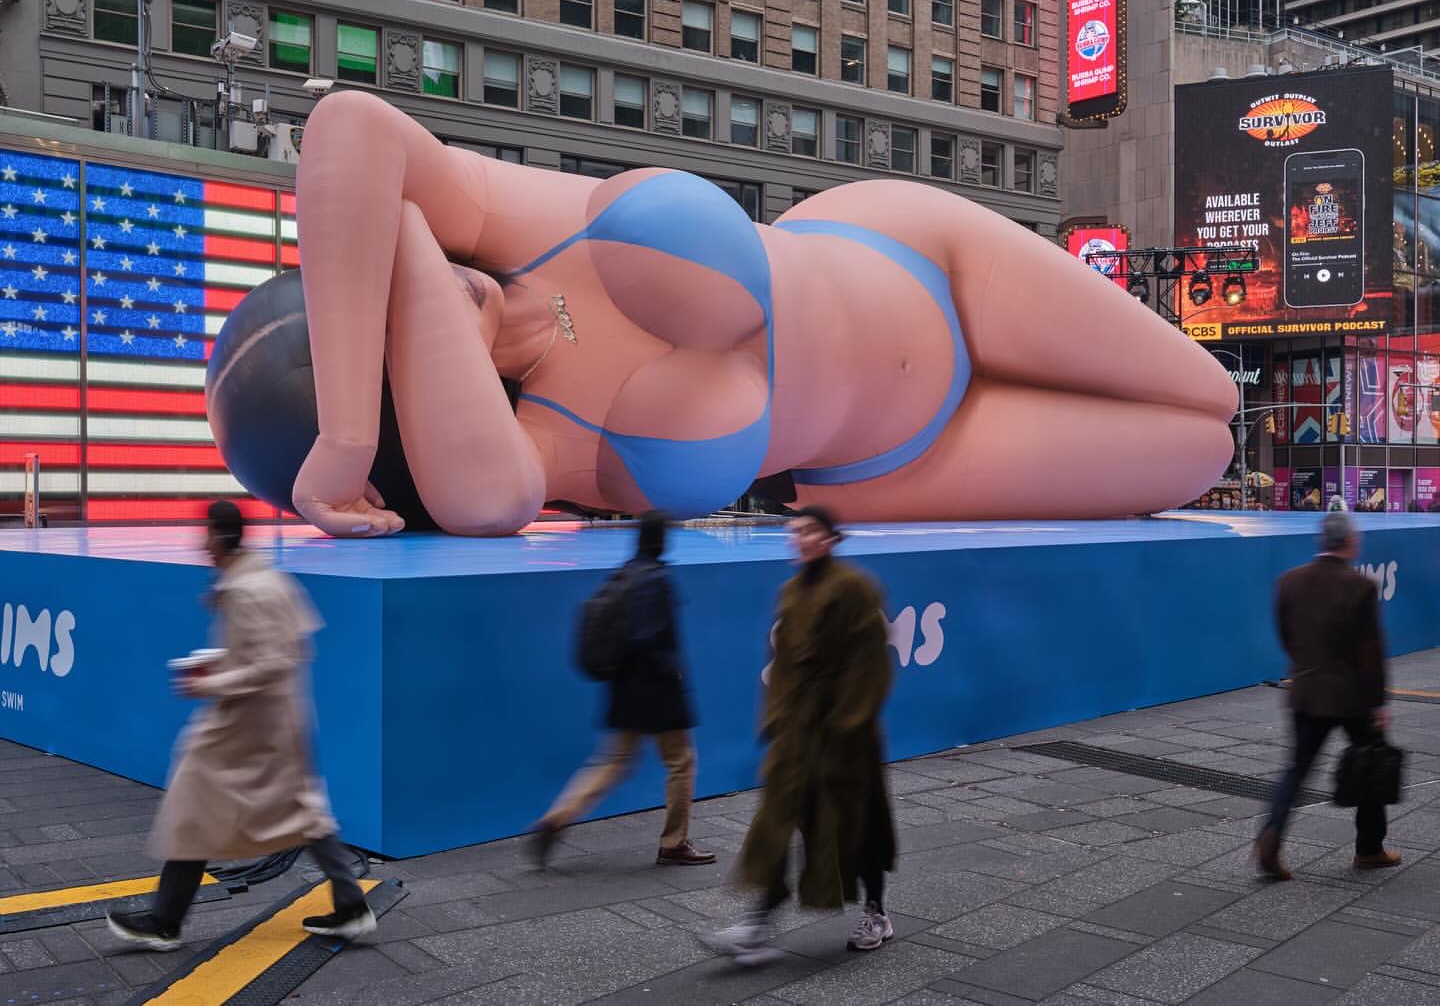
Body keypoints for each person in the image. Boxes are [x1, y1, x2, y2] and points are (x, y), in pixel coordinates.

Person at [217, 91, 1235, 540]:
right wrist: (397, 258)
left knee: (1211, 385)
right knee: (1199, 452)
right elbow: (483, 500)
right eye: (404, 318)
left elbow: (348, 127)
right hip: (906, 459)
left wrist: (346, 429)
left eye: (390, 278)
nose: (428, 280)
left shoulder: (505, 221)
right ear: (421, 411)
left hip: (918, 252)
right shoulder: (541, 446)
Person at [108, 501, 374, 951]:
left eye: (207, 534)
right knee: (302, 810)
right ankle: (350, 905)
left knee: (197, 805)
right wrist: (221, 665)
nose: (203, 544)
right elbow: (278, 651)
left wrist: (212, 682)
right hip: (267, 722)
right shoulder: (259, 579)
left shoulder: (251, 589)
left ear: (223, 537)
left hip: (249, 725)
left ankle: (166, 920)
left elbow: (273, 661)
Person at [704, 507, 896, 964]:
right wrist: (777, 719)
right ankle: (757, 923)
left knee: (858, 825)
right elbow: (784, 667)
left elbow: (870, 666)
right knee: (778, 819)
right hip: (798, 731)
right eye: (796, 531)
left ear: (831, 538)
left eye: (810, 531)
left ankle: (876, 911)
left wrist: (848, 724)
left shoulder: (855, 588)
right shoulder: (790, 592)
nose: (800, 538)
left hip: (847, 738)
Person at [530, 513, 714, 869]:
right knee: (681, 762)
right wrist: (671, 672)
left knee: (613, 762)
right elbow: (649, 637)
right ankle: (674, 843)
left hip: (624, 686)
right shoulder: (656, 579)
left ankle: (557, 817)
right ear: (663, 539)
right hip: (657, 690)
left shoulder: (625, 573)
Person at [1256, 506, 1398, 880]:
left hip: (1306, 691)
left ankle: (1271, 833)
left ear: (1322, 541)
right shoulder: (1360, 587)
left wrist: (1305, 668)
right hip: (1351, 696)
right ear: (1351, 543)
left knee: (1297, 769)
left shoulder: (1289, 581)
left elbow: (1286, 634)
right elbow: (1370, 649)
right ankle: (1369, 849)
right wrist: (1378, 700)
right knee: (1372, 764)